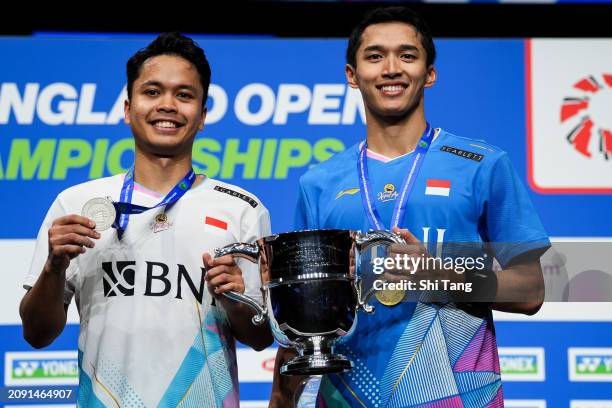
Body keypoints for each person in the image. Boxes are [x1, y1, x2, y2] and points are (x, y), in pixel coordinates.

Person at [270, 7, 550, 408]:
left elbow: (530, 290)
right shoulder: (318, 184)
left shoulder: (482, 165)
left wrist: (437, 273)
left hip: (457, 396)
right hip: (349, 396)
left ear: (429, 73)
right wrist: (280, 400)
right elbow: (304, 315)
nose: (391, 68)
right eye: (374, 56)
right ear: (352, 74)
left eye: (407, 55)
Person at [19, 32, 273, 407]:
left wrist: (236, 300)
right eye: (152, 92)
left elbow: (262, 337)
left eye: (184, 95)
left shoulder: (243, 210)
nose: (167, 105)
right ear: (127, 108)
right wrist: (54, 267)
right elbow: (37, 334)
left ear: (202, 116)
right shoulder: (75, 204)